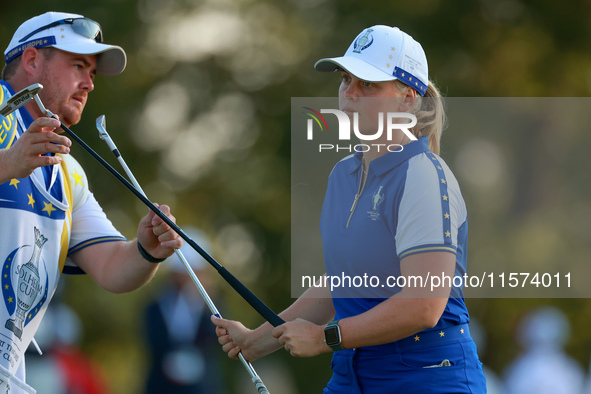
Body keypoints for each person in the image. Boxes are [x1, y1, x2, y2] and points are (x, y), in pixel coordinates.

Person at [213, 25, 487, 393]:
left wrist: (327, 337)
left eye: (368, 84)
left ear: (408, 99)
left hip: (427, 374)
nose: (349, 94)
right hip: (352, 374)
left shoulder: (423, 175)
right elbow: (342, 285)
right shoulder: (343, 174)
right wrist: (257, 341)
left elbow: (424, 305)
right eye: (346, 80)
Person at [0, 11, 182, 393]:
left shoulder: (68, 171)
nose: (88, 84)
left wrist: (147, 249)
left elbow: (114, 269)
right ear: (32, 61)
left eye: (93, 73)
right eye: (79, 66)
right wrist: (9, 164)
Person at [142, 228, 223, 394]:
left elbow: (215, 341)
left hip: (202, 387)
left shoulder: (213, 306)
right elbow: (153, 344)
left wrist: (196, 301)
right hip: (160, 387)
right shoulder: (156, 305)